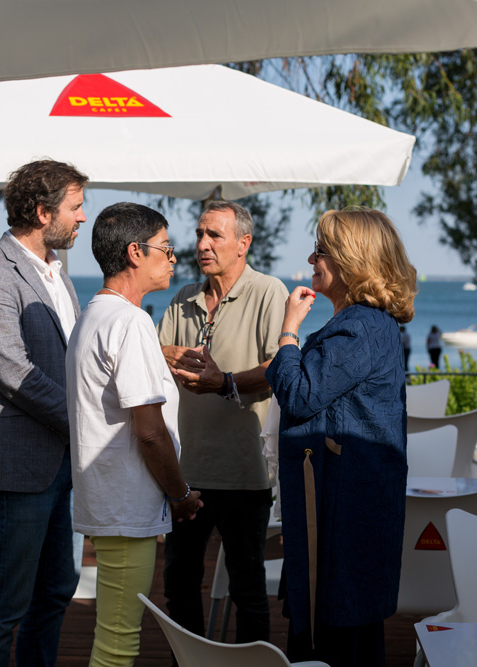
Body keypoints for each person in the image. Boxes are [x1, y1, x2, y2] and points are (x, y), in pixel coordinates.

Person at [266, 207, 417, 667]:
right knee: (351, 633)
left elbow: (299, 393)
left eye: (322, 250)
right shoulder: (369, 325)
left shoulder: (357, 329)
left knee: (334, 639)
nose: (312, 259)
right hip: (353, 508)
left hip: (341, 515)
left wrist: (288, 330)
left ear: (351, 261)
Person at [0, 159, 88, 667]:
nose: (82, 217)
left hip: (60, 464)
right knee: (4, 605)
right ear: (40, 211)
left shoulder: (59, 273)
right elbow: (15, 373)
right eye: (74, 207)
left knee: (55, 590)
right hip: (17, 465)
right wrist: (85, 422)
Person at [67, 202, 202, 667]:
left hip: (105, 498)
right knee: (118, 645)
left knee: (113, 636)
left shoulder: (93, 315)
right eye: (165, 248)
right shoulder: (130, 321)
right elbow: (150, 432)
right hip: (125, 505)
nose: (173, 258)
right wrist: (180, 493)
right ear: (134, 253)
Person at [157, 200, 288, 648]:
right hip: (185, 474)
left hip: (244, 472)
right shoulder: (182, 298)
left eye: (215, 235)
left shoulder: (269, 292)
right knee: (178, 585)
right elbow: (151, 358)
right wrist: (169, 355)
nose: (202, 244)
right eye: (199, 234)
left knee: (248, 592)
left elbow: (280, 368)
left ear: (243, 243)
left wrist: (224, 381)